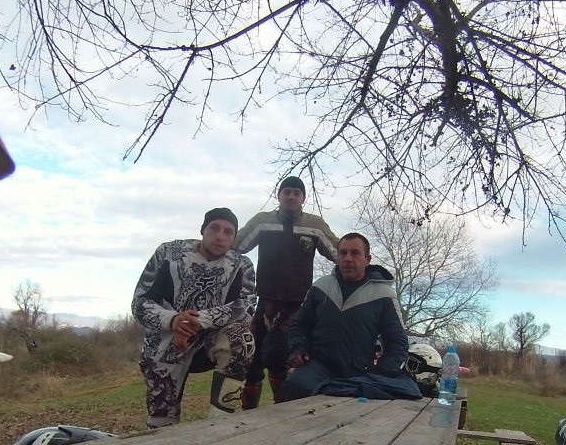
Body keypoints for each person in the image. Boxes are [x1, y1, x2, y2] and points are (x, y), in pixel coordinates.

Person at [132, 207, 257, 428]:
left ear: (234, 237)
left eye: (228, 232)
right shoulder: (168, 253)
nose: (220, 236)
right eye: (214, 228)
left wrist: (197, 320)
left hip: (210, 341)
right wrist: (174, 321)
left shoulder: (242, 265)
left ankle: (220, 424)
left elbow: (245, 307)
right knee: (161, 422)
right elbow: (140, 303)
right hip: (166, 342)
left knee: (242, 339)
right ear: (202, 230)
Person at [232, 175, 338, 408]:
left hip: (297, 303)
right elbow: (235, 246)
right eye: (286, 192)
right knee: (253, 358)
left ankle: (283, 410)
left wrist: (361, 267)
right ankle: (248, 416)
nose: (291, 196)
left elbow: (339, 252)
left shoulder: (314, 224)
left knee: (275, 353)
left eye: (296, 193)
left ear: (303, 198)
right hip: (266, 301)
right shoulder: (263, 220)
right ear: (278, 196)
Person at [277, 232, 421, 401]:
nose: (347, 259)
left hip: (359, 375)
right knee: (293, 388)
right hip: (317, 368)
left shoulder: (384, 295)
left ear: (367, 259)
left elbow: (398, 342)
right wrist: (298, 348)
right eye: (343, 253)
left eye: (355, 253)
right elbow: (299, 325)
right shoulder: (321, 287)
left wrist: (382, 373)